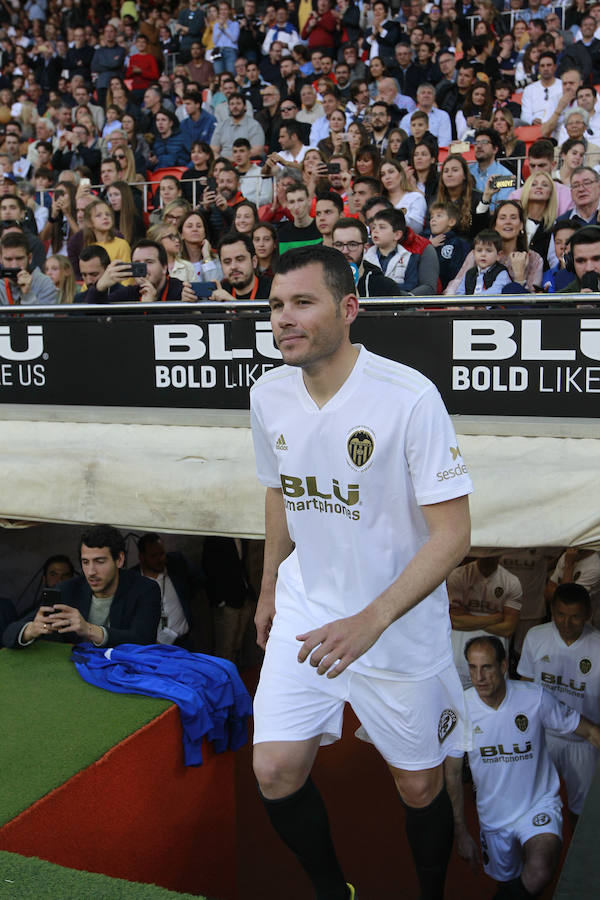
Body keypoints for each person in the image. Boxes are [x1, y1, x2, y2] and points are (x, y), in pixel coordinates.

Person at [250, 244, 472, 900]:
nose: (283, 319)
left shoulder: (408, 398)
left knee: (420, 786)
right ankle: (331, 890)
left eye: (301, 303)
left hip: (394, 625)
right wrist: (269, 585)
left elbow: (455, 534)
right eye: (275, 306)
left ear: (349, 309)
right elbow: (278, 490)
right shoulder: (268, 394)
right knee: (273, 771)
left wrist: (372, 618)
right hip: (307, 607)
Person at [445, 636, 600, 900]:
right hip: (494, 816)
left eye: (487, 667)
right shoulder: (461, 709)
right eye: (473, 668)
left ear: (504, 666)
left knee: (539, 869)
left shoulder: (535, 698)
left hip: (538, 804)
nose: (479, 677)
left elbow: (588, 730)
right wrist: (461, 832)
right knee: (512, 885)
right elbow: (452, 773)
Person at [2, 524, 161, 650]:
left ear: (119, 559)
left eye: (100, 561)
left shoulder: (145, 589)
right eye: (85, 562)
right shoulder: (66, 589)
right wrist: (32, 629)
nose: (91, 572)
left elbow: (143, 640)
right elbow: (8, 634)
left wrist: (89, 630)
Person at [518, 582, 600, 821]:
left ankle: (579, 856)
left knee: (582, 811)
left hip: (584, 741)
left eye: (575, 617)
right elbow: (526, 688)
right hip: (544, 736)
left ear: (588, 614)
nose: (566, 623)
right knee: (533, 801)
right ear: (551, 611)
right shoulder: (536, 636)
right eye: (560, 615)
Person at [447, 556, 522, 689]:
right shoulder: (458, 575)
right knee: (457, 697)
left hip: (494, 651)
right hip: (457, 652)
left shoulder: (511, 581)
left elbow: (508, 628)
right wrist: (494, 618)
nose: (488, 557)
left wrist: (468, 618)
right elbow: (454, 621)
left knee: (492, 696)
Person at [85, 239, 198, 305]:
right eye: (137, 263)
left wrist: (150, 307)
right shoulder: (130, 292)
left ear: (164, 267)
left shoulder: (181, 290)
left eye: (149, 262)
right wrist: (99, 288)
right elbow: (92, 316)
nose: (143, 268)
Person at [133, 533, 195, 647]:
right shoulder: (133, 580)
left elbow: (197, 582)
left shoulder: (177, 565)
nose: (160, 559)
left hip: (183, 643)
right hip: (152, 647)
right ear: (142, 557)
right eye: (153, 555)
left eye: (162, 553)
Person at [331, 217, 400, 297]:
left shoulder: (385, 287)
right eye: (339, 245)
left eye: (352, 244)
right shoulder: (322, 283)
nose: (345, 251)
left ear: (365, 247)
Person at [210, 231, 272, 301]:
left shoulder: (273, 289)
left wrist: (233, 303)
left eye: (240, 259)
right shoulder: (220, 291)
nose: (233, 266)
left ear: (254, 262)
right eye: (227, 262)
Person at [0, 232, 58, 306]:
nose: (14, 265)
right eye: (8, 259)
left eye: (19, 258)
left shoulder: (45, 283)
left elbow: (45, 317)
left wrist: (28, 295)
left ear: (30, 258)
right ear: (1, 259)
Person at [453, 230, 513, 296]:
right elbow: (460, 292)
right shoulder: (469, 273)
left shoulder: (502, 273)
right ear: (473, 253)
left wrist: (474, 303)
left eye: (489, 251)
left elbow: (496, 291)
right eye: (479, 250)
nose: (483, 254)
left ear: (498, 255)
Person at [428, 202, 470, 291]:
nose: (433, 219)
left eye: (438, 216)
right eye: (431, 217)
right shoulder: (424, 240)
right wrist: (429, 246)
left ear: (451, 222)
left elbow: (456, 271)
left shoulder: (457, 243)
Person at [277, 183, 322, 253]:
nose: (296, 207)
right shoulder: (282, 234)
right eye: (292, 202)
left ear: (309, 201)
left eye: (300, 200)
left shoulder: (321, 229)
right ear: (287, 205)